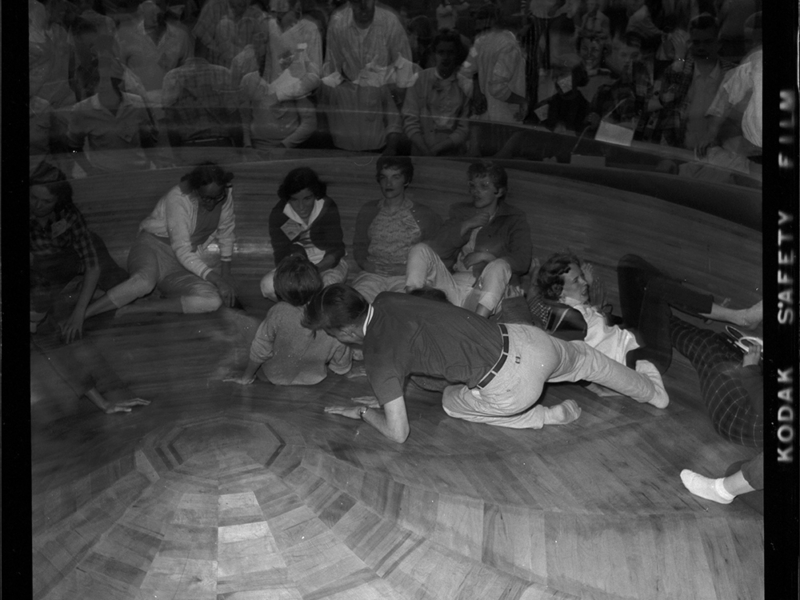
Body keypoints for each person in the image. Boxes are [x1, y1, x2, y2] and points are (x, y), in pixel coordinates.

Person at [303, 285, 670, 443]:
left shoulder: (377, 358)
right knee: (590, 361)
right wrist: (386, 393)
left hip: (513, 387)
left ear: (344, 330)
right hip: (527, 339)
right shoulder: (384, 298)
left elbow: (399, 434)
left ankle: (546, 416)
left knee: (450, 400)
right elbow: (414, 336)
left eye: (333, 334)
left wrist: (368, 414)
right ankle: (652, 393)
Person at [534, 252, 763, 373]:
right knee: (656, 289)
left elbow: (594, 328)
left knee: (628, 264)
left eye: (582, 276)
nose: (584, 281)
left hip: (631, 335)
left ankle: (689, 300)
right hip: (644, 358)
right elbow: (574, 360)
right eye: (577, 280)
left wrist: (590, 296)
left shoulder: (569, 305)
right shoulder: (565, 319)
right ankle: (741, 317)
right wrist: (602, 389)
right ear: (559, 292)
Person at [83, 162, 238, 319]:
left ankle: (142, 307)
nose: (211, 203)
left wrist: (226, 274)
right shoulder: (178, 198)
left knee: (212, 300)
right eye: (206, 198)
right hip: (152, 248)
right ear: (196, 189)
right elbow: (182, 250)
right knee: (144, 282)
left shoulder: (225, 196)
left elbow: (226, 233)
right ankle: (84, 314)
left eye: (217, 197)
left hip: (179, 264)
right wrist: (218, 280)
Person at [405, 161, 531, 318]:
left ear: (499, 191)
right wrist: (467, 224)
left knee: (499, 265)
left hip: (487, 291)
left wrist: (488, 257)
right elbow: (438, 248)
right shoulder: (461, 212)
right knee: (419, 249)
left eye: (484, 186)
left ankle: (476, 324)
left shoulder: (513, 218)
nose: (476, 191)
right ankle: (410, 305)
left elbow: (522, 261)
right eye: (473, 186)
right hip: (453, 286)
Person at [674, 302, 763, 503]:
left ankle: (722, 491)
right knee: (722, 344)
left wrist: (750, 371)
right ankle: (659, 310)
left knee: (709, 346)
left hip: (741, 415)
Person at [30, 165, 129, 341]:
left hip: (74, 254)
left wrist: (79, 314)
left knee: (120, 286)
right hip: (46, 266)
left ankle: (87, 291)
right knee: (46, 322)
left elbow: (92, 263)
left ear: (58, 200)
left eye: (46, 202)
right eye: (33, 197)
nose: (37, 205)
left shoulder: (68, 213)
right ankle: (84, 291)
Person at [226, 255, 352, 385]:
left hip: (273, 376)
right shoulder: (333, 313)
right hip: (314, 378)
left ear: (280, 291)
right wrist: (342, 370)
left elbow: (261, 348)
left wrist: (246, 377)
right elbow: (342, 352)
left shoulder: (279, 310)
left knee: (245, 321)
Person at [320, 0, 412, 152]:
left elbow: (404, 71)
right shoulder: (338, 22)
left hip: (381, 113)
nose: (363, 5)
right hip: (346, 119)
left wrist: (389, 96)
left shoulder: (390, 21)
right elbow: (331, 68)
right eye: (357, 1)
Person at [351, 156, 441, 302]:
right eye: (384, 177)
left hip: (406, 276)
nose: (388, 183)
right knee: (359, 302)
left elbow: (436, 251)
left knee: (401, 305)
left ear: (406, 180)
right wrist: (366, 264)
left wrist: (408, 268)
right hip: (373, 274)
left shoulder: (424, 214)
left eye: (396, 177)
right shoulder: (369, 210)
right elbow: (359, 244)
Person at [647, 13, 736, 148]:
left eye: (707, 42)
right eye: (696, 42)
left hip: (721, 158)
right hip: (681, 154)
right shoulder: (678, 71)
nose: (701, 48)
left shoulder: (733, 75)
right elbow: (666, 108)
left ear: (719, 44)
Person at [66, 52, 161, 175]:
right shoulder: (82, 110)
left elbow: (146, 139)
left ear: (116, 81)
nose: (100, 85)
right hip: (104, 176)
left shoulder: (136, 103)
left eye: (105, 80)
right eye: (96, 80)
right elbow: (74, 148)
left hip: (140, 172)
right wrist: (88, 169)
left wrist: (156, 162)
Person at [261, 167, 347, 301]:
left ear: (316, 194)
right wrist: (298, 272)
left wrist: (317, 269)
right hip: (295, 266)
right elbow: (281, 253)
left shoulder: (327, 206)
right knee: (267, 286)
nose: (301, 206)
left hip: (327, 264)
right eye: (294, 200)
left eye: (307, 199)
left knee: (328, 288)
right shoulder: (280, 214)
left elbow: (336, 249)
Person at [401, 28, 471, 157]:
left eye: (450, 52)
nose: (445, 57)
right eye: (441, 52)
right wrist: (425, 151)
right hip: (420, 152)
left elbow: (464, 128)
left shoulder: (465, 85)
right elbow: (410, 121)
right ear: (434, 54)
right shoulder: (418, 80)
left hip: (452, 154)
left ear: (457, 54)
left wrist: (438, 149)